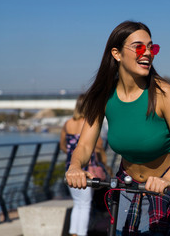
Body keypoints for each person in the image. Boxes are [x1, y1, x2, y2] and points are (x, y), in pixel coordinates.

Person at [65, 21, 170, 235]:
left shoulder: (164, 94)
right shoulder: (102, 97)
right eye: (138, 47)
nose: (147, 53)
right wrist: (74, 167)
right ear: (116, 54)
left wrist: (166, 179)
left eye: (151, 48)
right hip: (128, 188)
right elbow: (85, 145)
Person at [60, 94, 107, 236]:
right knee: (86, 205)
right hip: (87, 168)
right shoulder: (89, 123)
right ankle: (82, 234)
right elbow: (98, 145)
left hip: (70, 167)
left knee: (77, 204)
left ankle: (73, 233)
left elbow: (63, 146)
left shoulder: (67, 123)